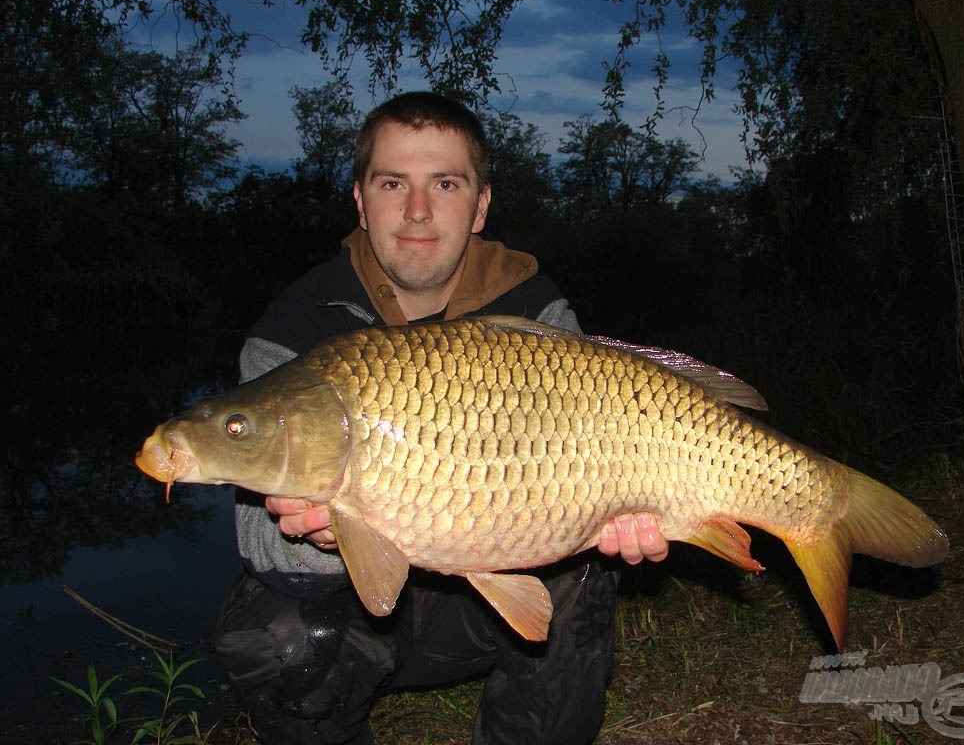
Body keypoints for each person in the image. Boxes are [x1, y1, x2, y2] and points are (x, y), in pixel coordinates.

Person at [214, 91, 668, 745]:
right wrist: (330, 538)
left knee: (585, 578)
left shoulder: (537, 313)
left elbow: (599, 459)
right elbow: (259, 543)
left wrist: (618, 510)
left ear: (481, 204)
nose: (418, 210)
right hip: (359, 622)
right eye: (393, 183)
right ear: (360, 200)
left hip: (489, 599)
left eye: (445, 184)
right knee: (275, 635)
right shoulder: (294, 333)